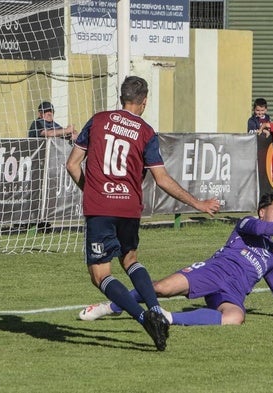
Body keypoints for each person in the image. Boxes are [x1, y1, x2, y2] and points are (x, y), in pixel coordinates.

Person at [65, 76, 221, 351]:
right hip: (128, 207)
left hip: (100, 206)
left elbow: (72, 165)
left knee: (101, 276)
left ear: (121, 96)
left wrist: (90, 191)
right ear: (144, 101)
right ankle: (157, 311)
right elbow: (161, 179)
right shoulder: (146, 131)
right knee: (130, 259)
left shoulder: (98, 120)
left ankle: (143, 318)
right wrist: (197, 203)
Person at [79, 192, 273, 326]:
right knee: (160, 288)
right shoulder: (248, 223)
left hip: (232, 292)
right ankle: (110, 307)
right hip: (211, 272)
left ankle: (169, 319)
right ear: (261, 211)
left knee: (234, 318)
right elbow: (264, 229)